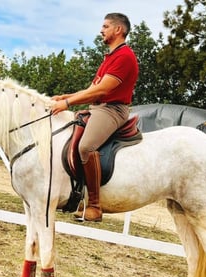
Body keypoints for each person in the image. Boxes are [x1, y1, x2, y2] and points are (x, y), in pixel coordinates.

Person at [51, 12, 139, 222]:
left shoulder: (125, 57)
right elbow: (92, 88)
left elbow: (101, 92)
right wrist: (65, 96)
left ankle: (94, 205)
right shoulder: (110, 57)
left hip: (112, 110)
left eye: (106, 26)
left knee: (85, 147)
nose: (101, 30)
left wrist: (66, 104)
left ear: (118, 30)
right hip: (98, 107)